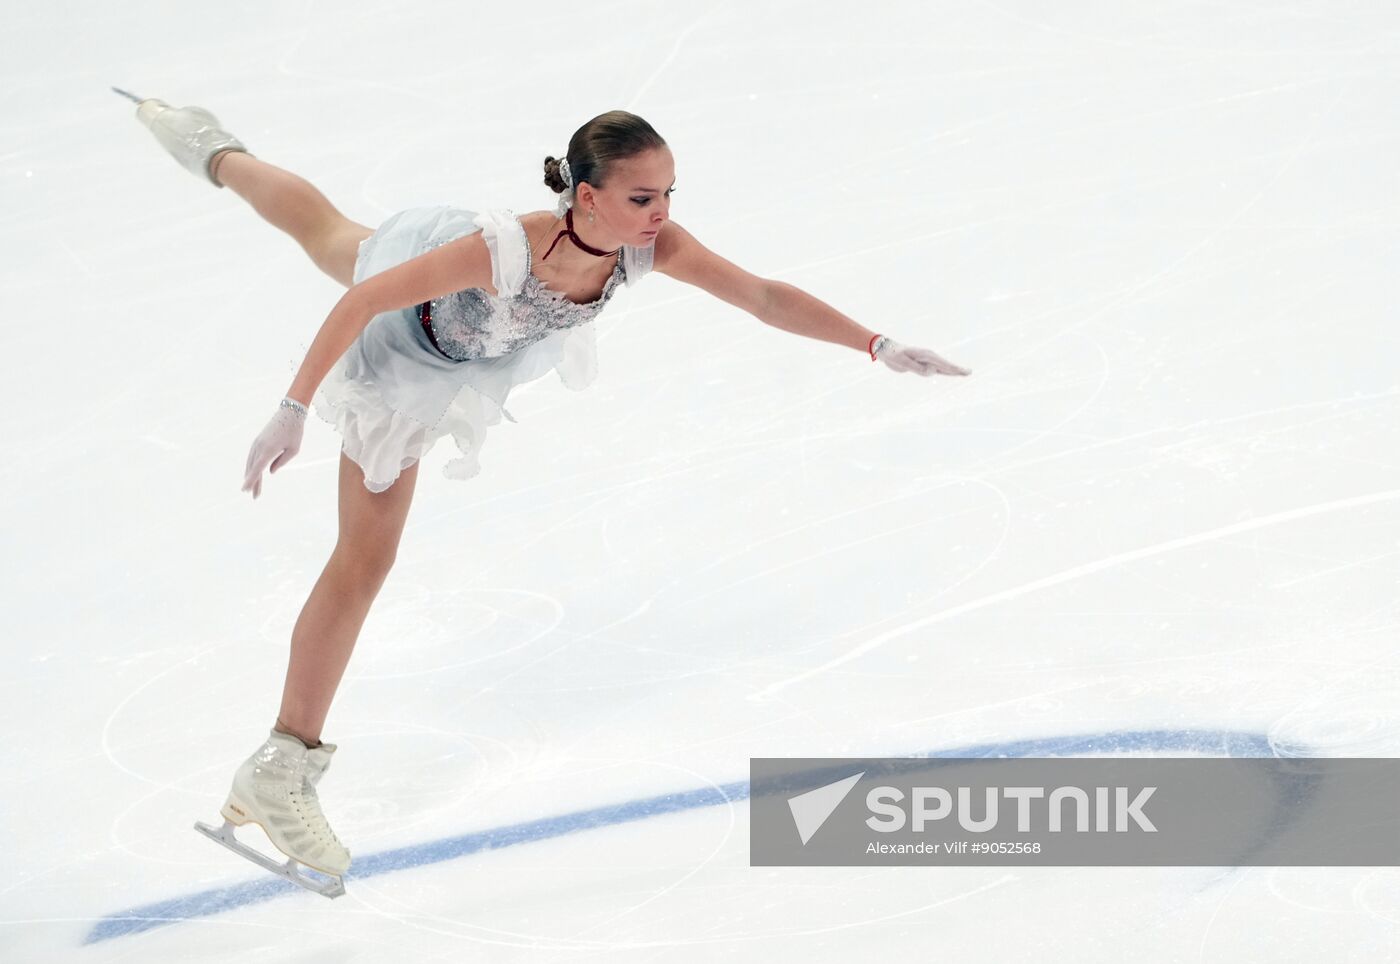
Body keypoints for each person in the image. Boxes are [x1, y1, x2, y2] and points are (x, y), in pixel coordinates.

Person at [126, 93, 972, 897]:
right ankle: (282, 764)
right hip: (400, 348)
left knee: (327, 230)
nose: (661, 212)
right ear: (585, 195)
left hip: (472, 345)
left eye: (670, 193)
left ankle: (209, 145)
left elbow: (760, 296)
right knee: (366, 555)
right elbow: (369, 300)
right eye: (643, 195)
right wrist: (292, 409)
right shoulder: (509, 246)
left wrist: (877, 343)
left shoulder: (649, 246)